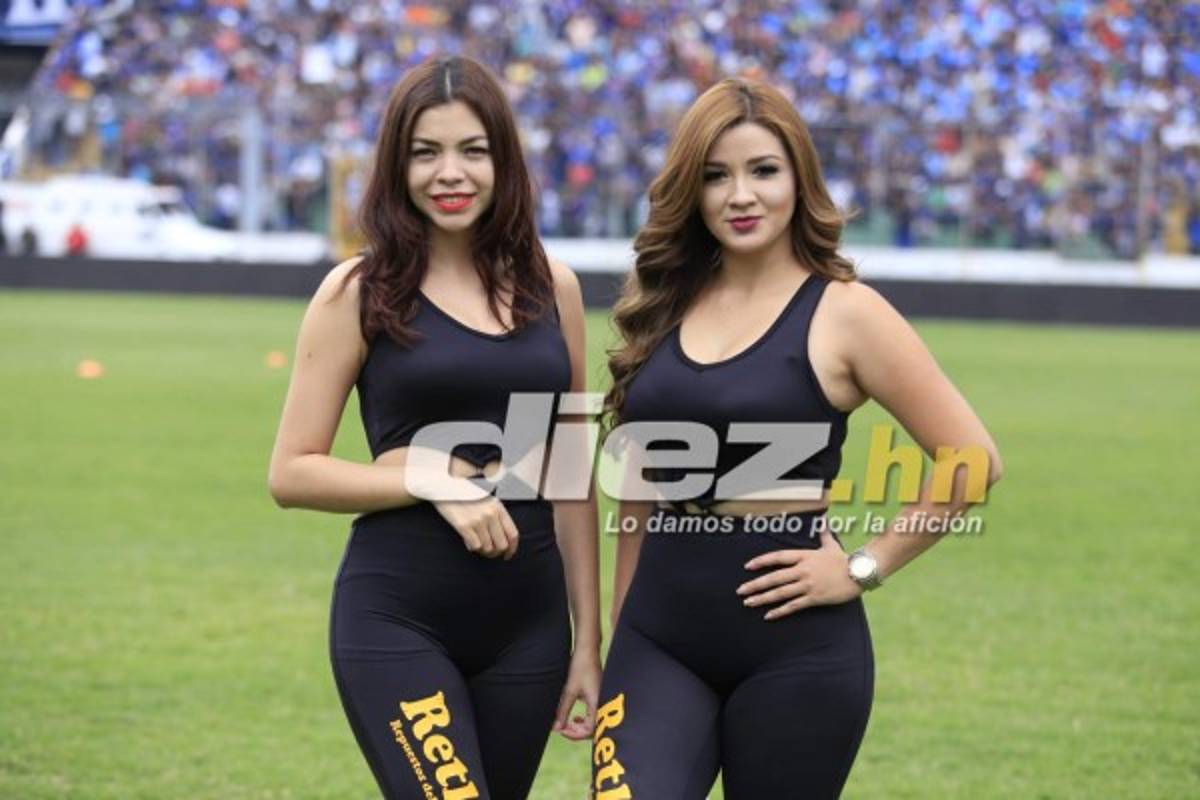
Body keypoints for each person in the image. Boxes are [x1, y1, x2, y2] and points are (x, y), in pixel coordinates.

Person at [593, 78, 1004, 798]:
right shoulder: (663, 303)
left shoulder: (847, 312)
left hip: (797, 651)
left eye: (763, 171)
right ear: (690, 189)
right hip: (655, 642)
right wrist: (618, 634)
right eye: (716, 176)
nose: (740, 195)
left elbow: (972, 460)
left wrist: (862, 568)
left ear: (799, 179)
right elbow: (638, 488)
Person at [268, 56, 600, 799]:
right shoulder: (358, 292)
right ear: (397, 165)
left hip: (531, 628)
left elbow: (571, 472)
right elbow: (291, 473)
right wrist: (427, 477)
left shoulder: (557, 289)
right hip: (398, 617)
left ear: (503, 161)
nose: (451, 174)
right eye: (426, 153)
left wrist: (589, 640)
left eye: (472, 151)